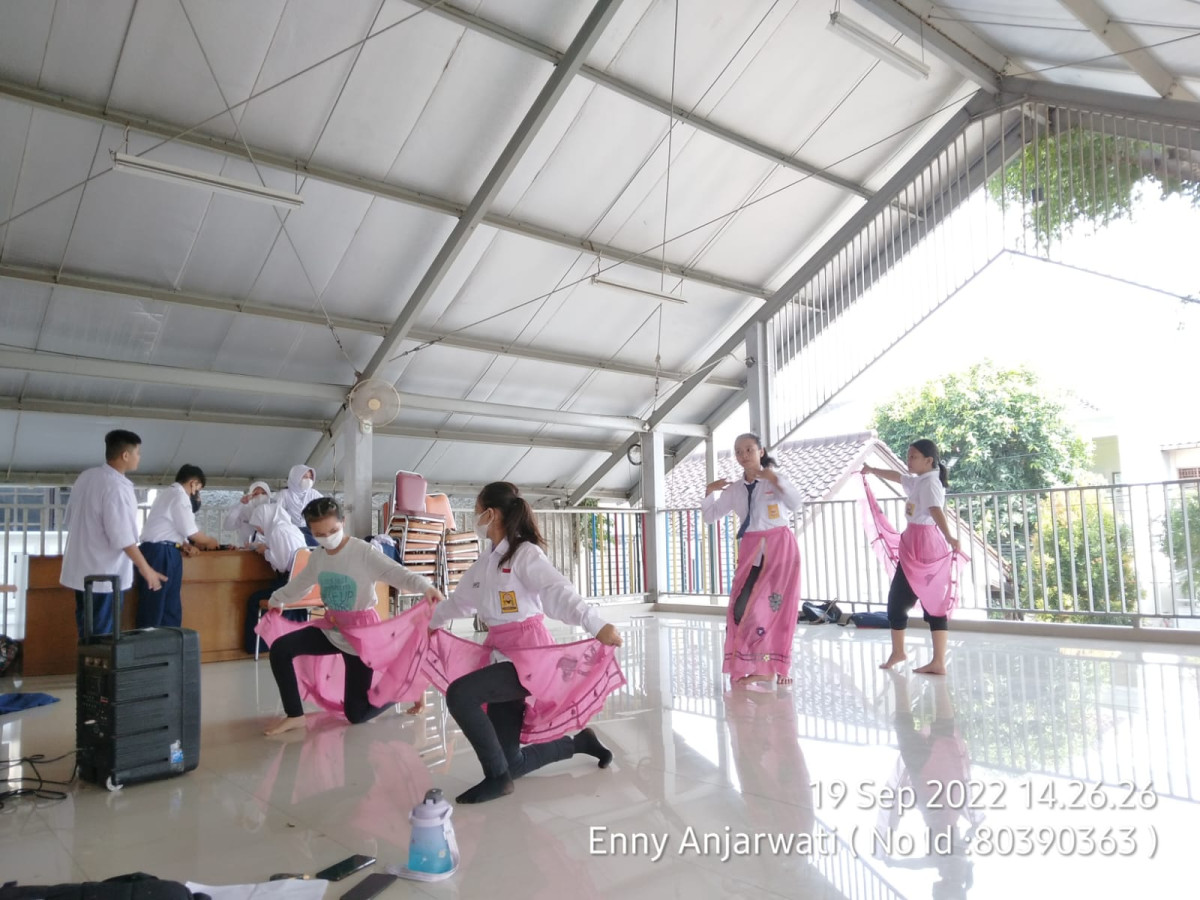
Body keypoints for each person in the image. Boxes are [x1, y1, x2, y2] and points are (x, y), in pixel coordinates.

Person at [419, 481, 625, 805]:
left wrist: (596, 625)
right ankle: (579, 743)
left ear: (490, 513)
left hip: (529, 656)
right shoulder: (484, 563)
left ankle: (496, 780)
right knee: (511, 760)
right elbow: (459, 602)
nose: (475, 518)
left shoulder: (525, 554)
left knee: (461, 694)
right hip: (500, 652)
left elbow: (557, 591)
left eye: (477, 512)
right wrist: (430, 625)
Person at [259, 497, 443, 736]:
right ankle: (295, 715)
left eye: (333, 530)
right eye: (319, 534)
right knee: (281, 648)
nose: (328, 537)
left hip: (361, 636)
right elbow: (300, 584)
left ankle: (404, 687)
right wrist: (277, 600)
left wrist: (425, 586)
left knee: (356, 715)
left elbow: (396, 573)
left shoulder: (362, 552)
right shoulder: (319, 557)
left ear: (343, 522)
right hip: (331, 628)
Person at [702, 433, 803, 687]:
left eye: (749, 449)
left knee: (777, 607)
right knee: (741, 609)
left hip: (779, 550)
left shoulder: (774, 479)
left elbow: (796, 504)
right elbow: (710, 516)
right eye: (739, 451)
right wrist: (708, 492)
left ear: (761, 451)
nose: (744, 455)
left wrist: (777, 480)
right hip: (751, 552)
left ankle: (775, 667)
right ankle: (759, 663)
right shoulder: (735, 489)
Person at [861, 439, 964, 675]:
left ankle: (937, 661)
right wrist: (872, 470)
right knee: (897, 602)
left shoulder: (930, 484)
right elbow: (898, 477)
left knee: (932, 603)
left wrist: (950, 536)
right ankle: (899, 652)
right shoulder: (921, 480)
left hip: (926, 546)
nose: (909, 461)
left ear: (929, 460)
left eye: (913, 457)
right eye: (908, 456)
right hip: (913, 544)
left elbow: (935, 510)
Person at [61, 430, 166, 639]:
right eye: (138, 453)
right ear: (125, 455)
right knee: (102, 636)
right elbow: (123, 537)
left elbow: (69, 519)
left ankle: (87, 671)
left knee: (87, 630)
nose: (140, 457)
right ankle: (98, 672)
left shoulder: (87, 476)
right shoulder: (115, 487)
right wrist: (146, 570)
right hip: (104, 573)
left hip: (81, 570)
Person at [135, 464, 220, 628]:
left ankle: (167, 649)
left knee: (168, 606)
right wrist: (210, 542)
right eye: (198, 489)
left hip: (165, 551)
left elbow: (172, 529)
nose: (195, 494)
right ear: (193, 483)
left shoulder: (167, 493)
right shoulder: (179, 496)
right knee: (156, 607)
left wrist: (182, 545)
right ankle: (152, 650)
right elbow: (192, 531)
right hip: (160, 553)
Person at [242, 500, 308, 654]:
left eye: (258, 524)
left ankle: (260, 647)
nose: (258, 529)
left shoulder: (278, 531)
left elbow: (281, 564)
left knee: (254, 599)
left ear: (265, 519)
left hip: (288, 585)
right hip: (303, 587)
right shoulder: (293, 529)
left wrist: (265, 551)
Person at [279, 464, 323, 546]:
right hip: (291, 530)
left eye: (310, 478)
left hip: (310, 529)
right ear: (296, 477)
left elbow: (325, 507)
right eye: (305, 477)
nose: (308, 480)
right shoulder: (285, 494)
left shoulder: (313, 494)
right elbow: (278, 514)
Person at [224, 480, 272, 547]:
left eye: (264, 493)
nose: (260, 496)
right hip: (245, 551)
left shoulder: (274, 513)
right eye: (256, 494)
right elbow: (228, 526)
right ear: (250, 495)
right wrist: (241, 504)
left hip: (267, 552)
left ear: (269, 495)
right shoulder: (244, 511)